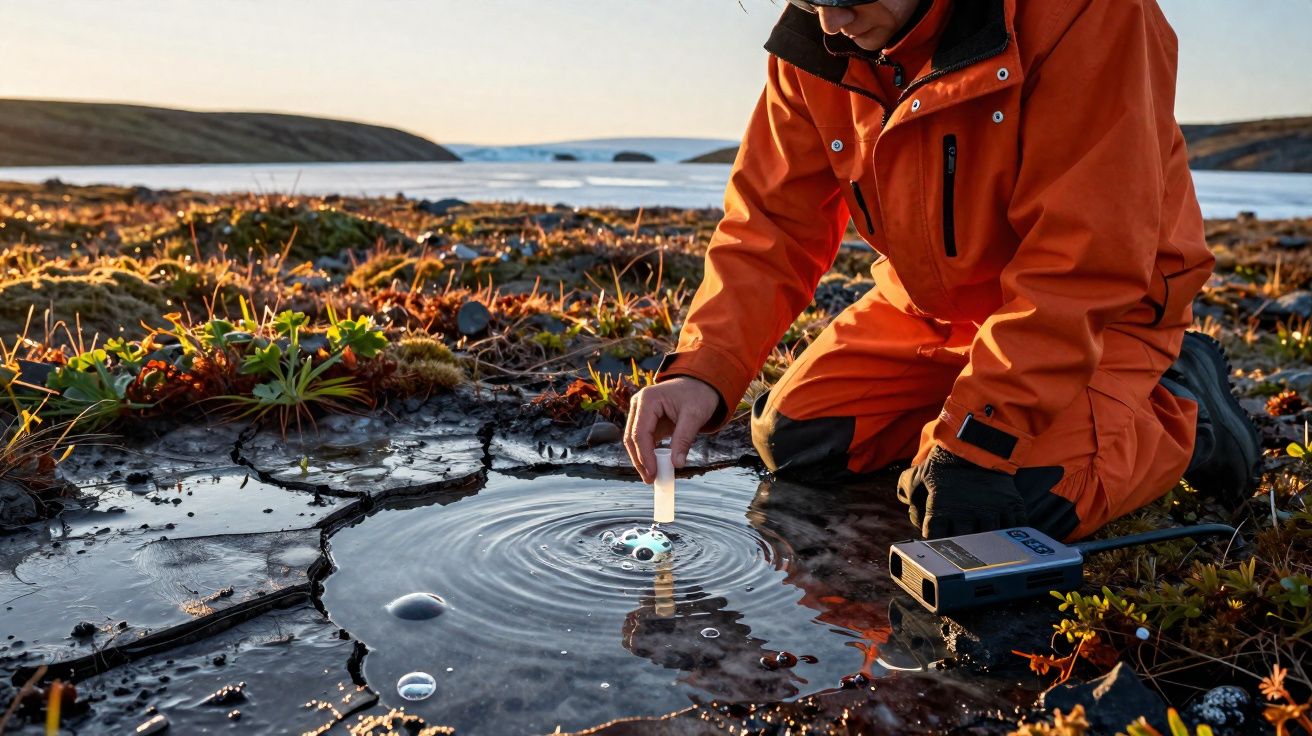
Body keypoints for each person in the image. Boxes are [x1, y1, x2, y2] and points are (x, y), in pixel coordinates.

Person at [624, 0, 1261, 541]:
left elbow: (1085, 258)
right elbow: (771, 223)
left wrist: (978, 438)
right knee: (796, 439)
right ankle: (974, 396)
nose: (832, 19)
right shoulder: (816, 40)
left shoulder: (1087, 14)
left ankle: (1185, 410)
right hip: (933, 311)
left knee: (1017, 502)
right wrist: (702, 371)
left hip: (1103, 315)